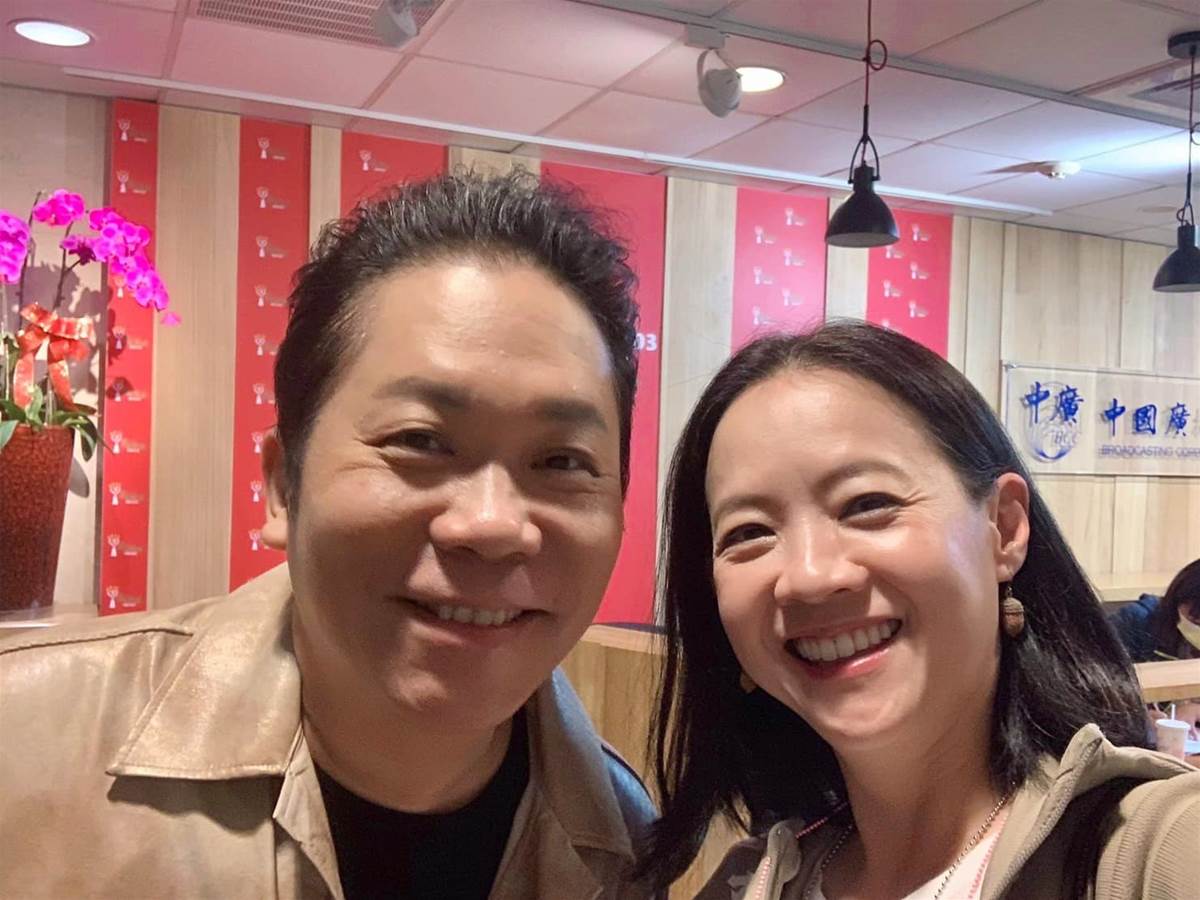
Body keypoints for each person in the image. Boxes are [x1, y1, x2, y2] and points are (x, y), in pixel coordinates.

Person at [0, 170, 658, 899]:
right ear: (284, 485)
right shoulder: (24, 738)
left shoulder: (627, 845)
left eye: (562, 461)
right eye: (419, 440)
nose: (493, 525)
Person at [638, 322, 1200, 900]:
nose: (809, 577)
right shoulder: (749, 881)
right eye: (749, 532)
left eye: (867, 504)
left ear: (1004, 528)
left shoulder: (1157, 852)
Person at [1109, 558, 1200, 740]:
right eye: (1196, 620)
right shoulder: (1137, 622)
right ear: (1177, 601)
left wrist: (1196, 709)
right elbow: (1091, 682)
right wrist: (1137, 716)